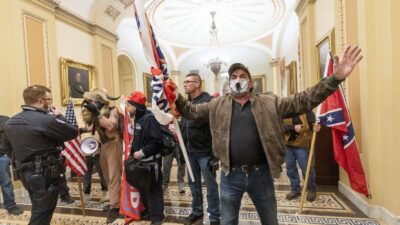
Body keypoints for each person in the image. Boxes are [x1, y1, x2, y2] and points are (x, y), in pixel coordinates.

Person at [174, 46, 363, 225]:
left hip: (261, 175)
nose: (237, 79)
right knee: (228, 221)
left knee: (270, 220)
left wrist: (334, 79)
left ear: (250, 82)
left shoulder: (269, 102)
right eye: (233, 76)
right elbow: (191, 111)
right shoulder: (217, 105)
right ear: (229, 82)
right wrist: (175, 96)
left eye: (242, 76)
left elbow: (303, 100)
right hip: (230, 175)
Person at [1, 85, 78, 225]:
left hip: (25, 173)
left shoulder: (11, 122)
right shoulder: (45, 120)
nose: (51, 103)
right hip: (44, 174)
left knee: (39, 208)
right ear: (40, 101)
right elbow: (72, 132)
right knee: (41, 215)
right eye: (49, 99)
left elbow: (6, 148)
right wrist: (59, 115)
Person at [180, 73, 220, 225]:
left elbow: (216, 128)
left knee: (211, 186)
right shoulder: (185, 103)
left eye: (188, 82)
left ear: (197, 83)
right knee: (193, 185)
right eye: (184, 82)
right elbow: (183, 127)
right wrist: (181, 152)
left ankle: (215, 216)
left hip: (205, 152)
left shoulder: (209, 101)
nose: (184, 84)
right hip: (190, 153)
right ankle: (196, 211)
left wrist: (215, 154)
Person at [81, 88, 123, 223]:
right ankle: (115, 202)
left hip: (114, 145)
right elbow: (93, 127)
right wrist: (78, 130)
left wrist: (97, 113)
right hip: (104, 146)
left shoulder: (112, 111)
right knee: (107, 178)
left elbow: (110, 126)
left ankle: (115, 208)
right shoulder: (98, 113)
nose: (91, 103)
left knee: (114, 177)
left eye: (93, 100)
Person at [126, 91, 164, 225]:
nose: (127, 107)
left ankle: (157, 218)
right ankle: (149, 211)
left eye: (128, 104)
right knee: (143, 187)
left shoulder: (149, 118)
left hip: (151, 161)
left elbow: (156, 140)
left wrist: (141, 152)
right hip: (141, 163)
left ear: (134, 106)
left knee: (153, 189)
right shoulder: (138, 117)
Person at [283, 112, 321, 202]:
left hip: (302, 146)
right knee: (290, 169)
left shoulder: (307, 111)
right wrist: (293, 128)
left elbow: (313, 125)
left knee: (307, 168)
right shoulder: (284, 110)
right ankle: (295, 189)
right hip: (287, 145)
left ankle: (311, 189)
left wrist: (317, 128)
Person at [0, 116, 24, 216]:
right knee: (6, 183)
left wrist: (8, 155)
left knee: (6, 182)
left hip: (1, 157)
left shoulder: (5, 120)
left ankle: (10, 206)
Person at [162, 122, 185, 193]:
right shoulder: (165, 119)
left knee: (181, 165)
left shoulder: (180, 118)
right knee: (166, 166)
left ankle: (181, 183)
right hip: (168, 147)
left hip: (179, 146)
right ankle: (164, 184)